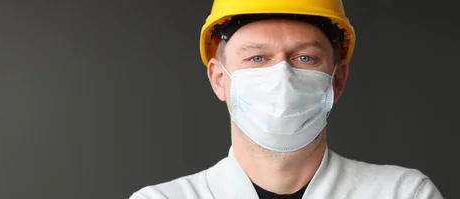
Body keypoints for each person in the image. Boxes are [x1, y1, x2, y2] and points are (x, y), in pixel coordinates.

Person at [130, 0, 443, 198]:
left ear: (338, 79)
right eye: (257, 58)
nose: (282, 78)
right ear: (220, 79)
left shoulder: (400, 193)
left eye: (305, 58)